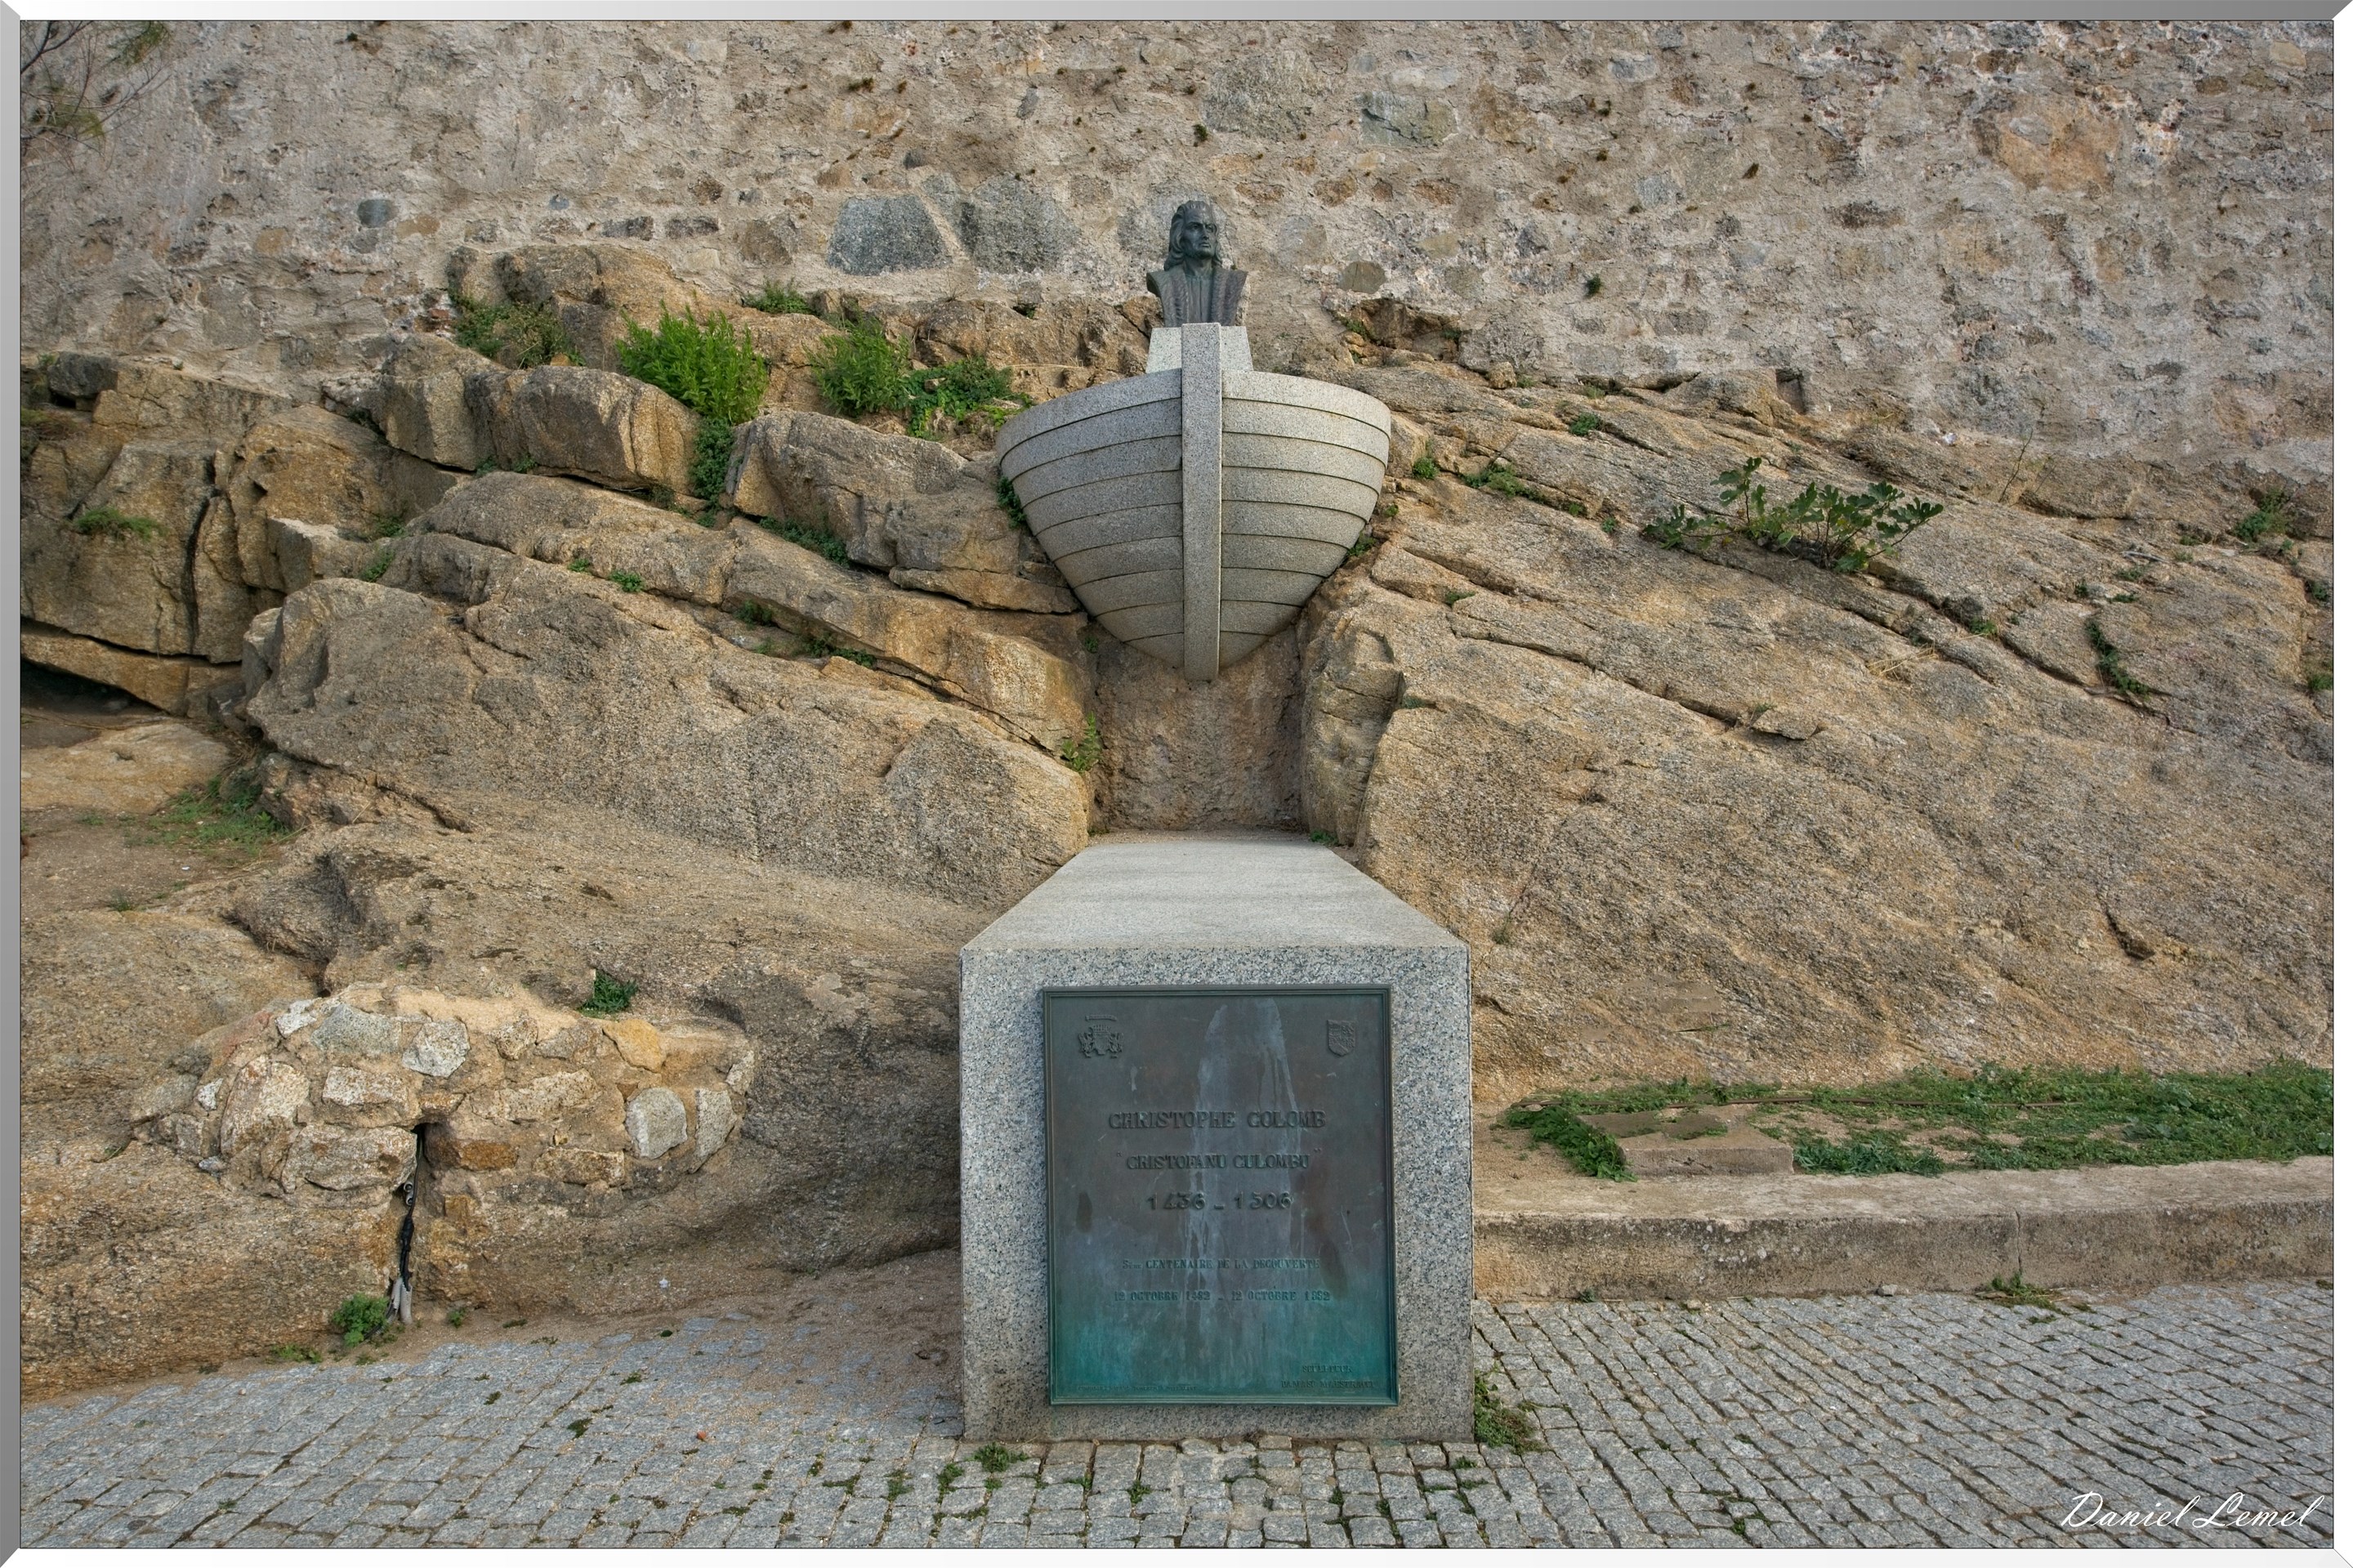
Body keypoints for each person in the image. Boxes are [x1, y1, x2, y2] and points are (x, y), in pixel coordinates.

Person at [1146, 199, 1247, 327]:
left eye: (1210, 228)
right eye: (1195, 227)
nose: (1205, 235)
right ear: (1180, 238)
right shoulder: (1164, 281)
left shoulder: (1232, 281)